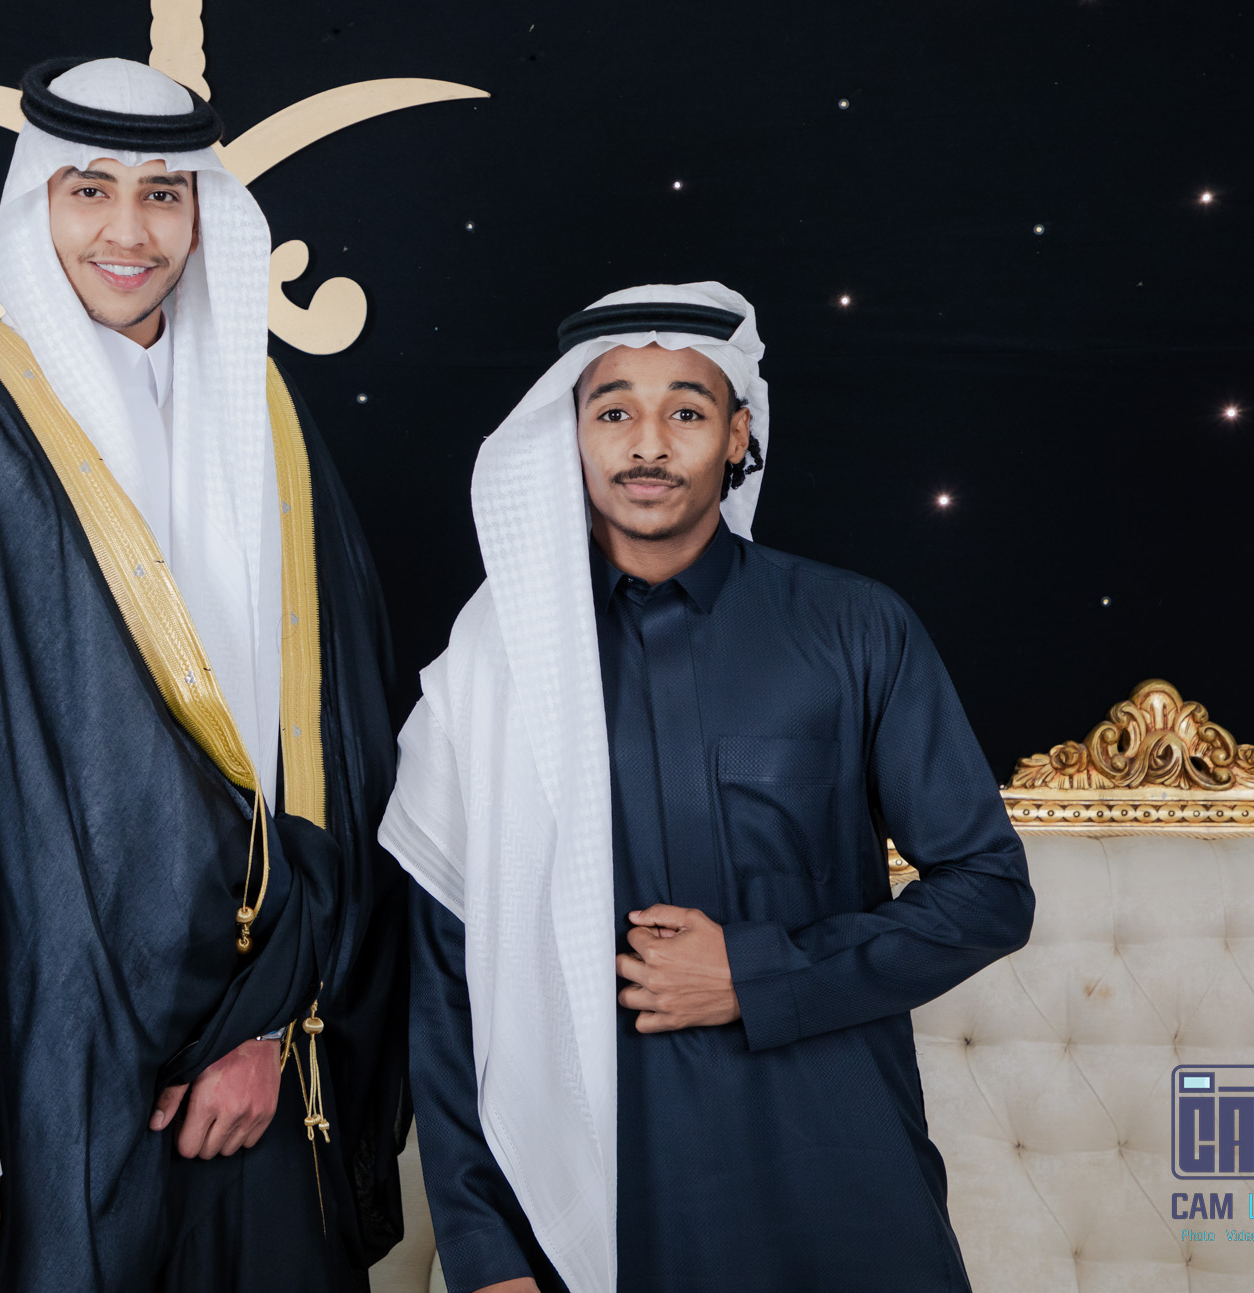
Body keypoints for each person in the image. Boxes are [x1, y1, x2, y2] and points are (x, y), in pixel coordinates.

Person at [0, 57, 410, 1293]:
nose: (127, 233)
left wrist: (275, 1021)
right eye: (89, 190)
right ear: (33, 202)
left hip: (246, 1074)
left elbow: (341, 749)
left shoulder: (265, 418)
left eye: (163, 194)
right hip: (26, 1051)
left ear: (203, 212)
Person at [378, 283, 1036, 1293]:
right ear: (570, 435)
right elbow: (446, 973)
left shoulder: (854, 628)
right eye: (614, 412)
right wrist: (484, 1251)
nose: (648, 443)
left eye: (685, 411)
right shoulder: (491, 667)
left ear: (736, 437)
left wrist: (755, 974)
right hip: (600, 1188)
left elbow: (988, 891)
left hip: (837, 1163)